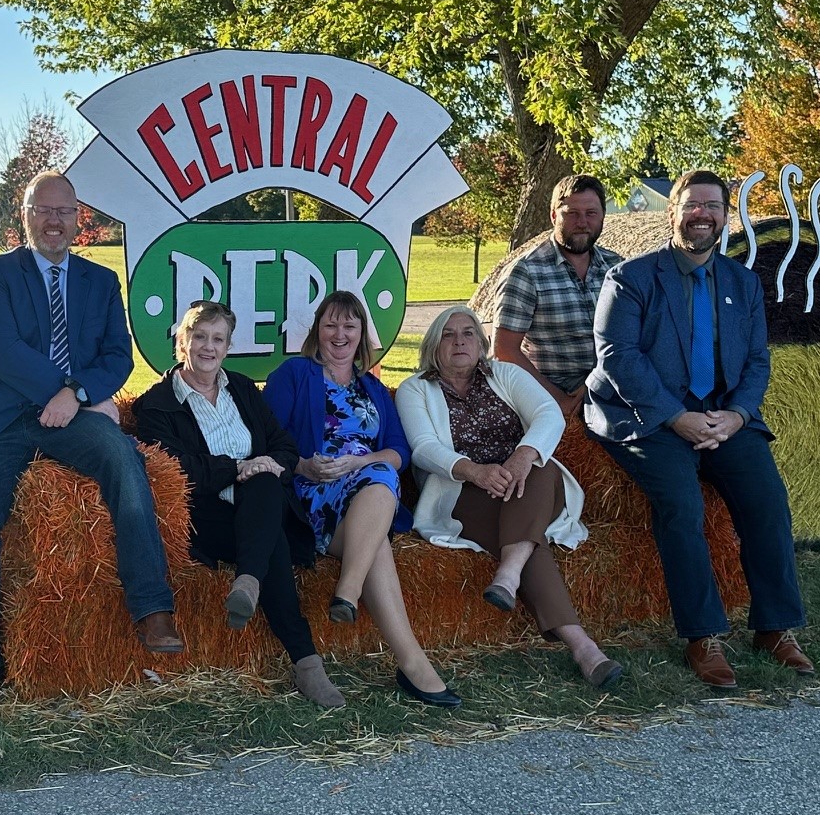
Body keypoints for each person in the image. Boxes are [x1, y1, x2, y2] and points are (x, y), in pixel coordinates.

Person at [0, 171, 182, 712]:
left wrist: (75, 393)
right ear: (24, 215)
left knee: (125, 459)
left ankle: (152, 607)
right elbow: (0, 347)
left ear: (80, 220)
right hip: (0, 419)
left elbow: (117, 357)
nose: (54, 221)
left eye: (64, 212)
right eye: (42, 210)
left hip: (70, 410)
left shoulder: (101, 284)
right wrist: (61, 388)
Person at [584, 168, 813, 689]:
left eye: (712, 206)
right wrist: (675, 418)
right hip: (646, 415)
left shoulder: (743, 282)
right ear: (673, 212)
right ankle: (703, 635)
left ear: (726, 217)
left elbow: (757, 360)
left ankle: (775, 627)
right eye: (692, 205)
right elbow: (618, 357)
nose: (702, 214)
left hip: (722, 417)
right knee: (682, 506)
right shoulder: (632, 279)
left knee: (768, 501)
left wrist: (737, 415)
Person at [395, 305, 624, 689]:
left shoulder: (505, 373)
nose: (459, 341)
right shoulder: (415, 388)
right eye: (448, 335)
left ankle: (508, 573)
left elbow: (549, 415)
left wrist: (520, 458)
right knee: (528, 541)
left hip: (528, 484)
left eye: (468, 333)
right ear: (434, 345)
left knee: (541, 466)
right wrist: (475, 471)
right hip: (466, 494)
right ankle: (583, 647)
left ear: (481, 342)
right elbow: (422, 447)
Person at [133, 302, 347, 709]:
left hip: (262, 507)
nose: (208, 347)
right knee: (271, 545)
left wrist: (263, 466)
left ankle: (248, 583)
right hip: (208, 518)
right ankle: (307, 662)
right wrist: (240, 467)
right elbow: (179, 470)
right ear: (182, 342)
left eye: (218, 339)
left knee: (265, 484)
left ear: (228, 347)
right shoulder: (156, 405)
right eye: (199, 337)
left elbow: (284, 447)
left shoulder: (244, 390)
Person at [263, 290, 461, 708]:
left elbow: (399, 452)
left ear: (361, 334)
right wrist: (303, 466)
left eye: (349, 326)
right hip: (311, 496)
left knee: (379, 473)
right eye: (331, 324)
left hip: (365, 493)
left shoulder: (372, 388)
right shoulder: (293, 375)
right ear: (318, 329)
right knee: (378, 537)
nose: (340, 334)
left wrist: (362, 461)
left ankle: (352, 595)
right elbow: (265, 440)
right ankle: (413, 664)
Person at [492, 173, 623, 411]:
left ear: (603, 216)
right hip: (554, 387)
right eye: (572, 213)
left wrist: (598, 382)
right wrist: (558, 400)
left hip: (612, 383)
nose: (582, 222)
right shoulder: (526, 271)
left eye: (591, 213)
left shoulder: (619, 268)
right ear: (554, 216)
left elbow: (638, 337)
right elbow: (504, 351)